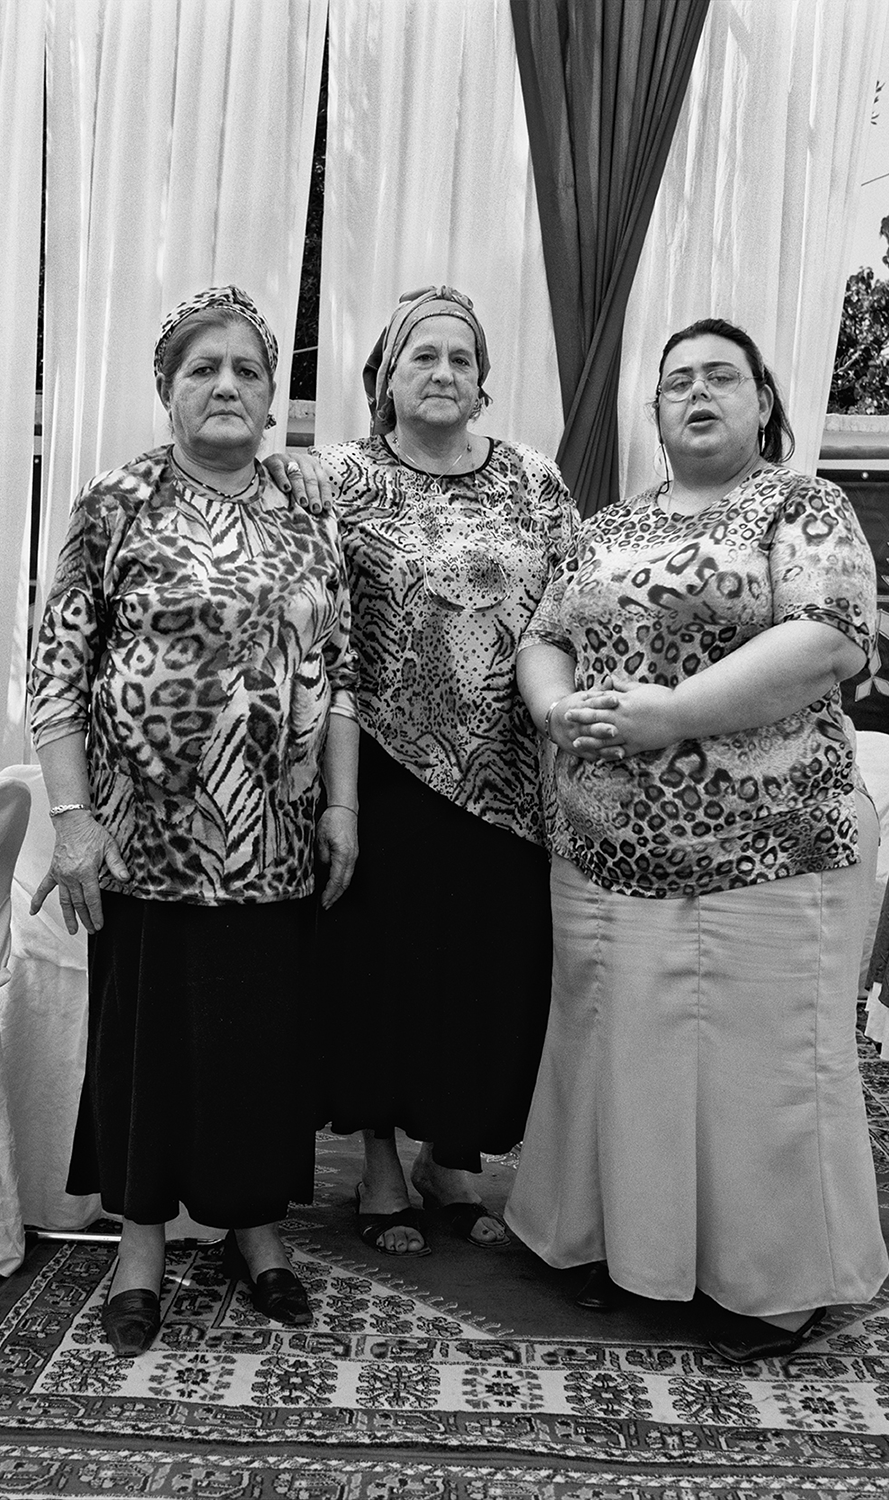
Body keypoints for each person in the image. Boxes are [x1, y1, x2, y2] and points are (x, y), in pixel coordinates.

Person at [506, 316, 889, 1362]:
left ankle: (767, 1282)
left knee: (760, 1069)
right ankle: (614, 1248)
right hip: (601, 851)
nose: (698, 394)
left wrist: (671, 714)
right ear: (656, 412)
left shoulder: (803, 507)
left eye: (723, 377)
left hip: (763, 845)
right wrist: (551, 711)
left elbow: (825, 642)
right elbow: (543, 638)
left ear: (763, 402)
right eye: (677, 382)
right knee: (617, 1057)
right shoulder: (604, 528)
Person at [28, 285, 359, 1356]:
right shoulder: (115, 501)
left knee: (260, 1042)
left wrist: (342, 803)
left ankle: (257, 1231)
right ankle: (139, 1245)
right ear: (166, 388)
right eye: (202, 368)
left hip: (274, 837)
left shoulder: (308, 509)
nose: (226, 385)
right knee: (149, 1045)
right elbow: (57, 670)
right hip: (145, 836)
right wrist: (73, 818)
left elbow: (340, 672)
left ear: (271, 400)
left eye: (247, 371)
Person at [309, 286, 578, 1256]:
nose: (442, 371)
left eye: (461, 358)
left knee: (487, 975)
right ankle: (381, 1165)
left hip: (511, 778)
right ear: (384, 377)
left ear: (483, 383)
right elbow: (321, 641)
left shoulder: (533, 482)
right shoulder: (338, 479)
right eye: (422, 355)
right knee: (382, 975)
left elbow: (573, 612)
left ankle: (451, 1158)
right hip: (381, 771)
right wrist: (332, 795)